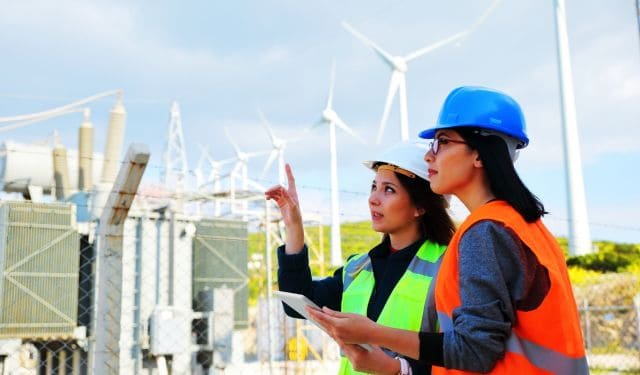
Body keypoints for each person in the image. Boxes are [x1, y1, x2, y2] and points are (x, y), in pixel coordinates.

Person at [308, 86, 588, 374]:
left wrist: (372, 333)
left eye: (442, 142)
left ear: (479, 155)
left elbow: (475, 351)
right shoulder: (524, 224)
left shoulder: (486, 232)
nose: (430, 156)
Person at [265, 140, 456, 375]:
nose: (373, 198)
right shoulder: (357, 268)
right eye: (373, 186)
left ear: (420, 207)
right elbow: (297, 303)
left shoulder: (448, 267)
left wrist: (397, 369)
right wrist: (294, 225)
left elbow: (460, 354)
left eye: (389, 190)